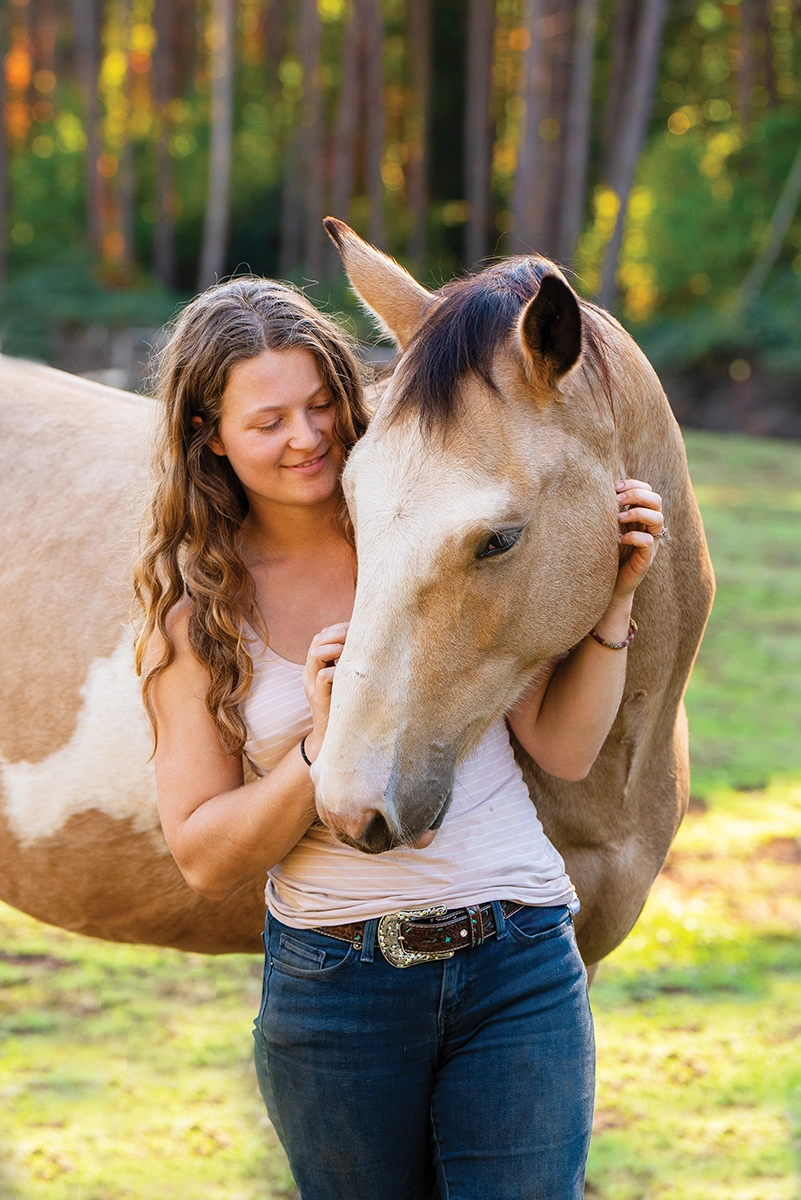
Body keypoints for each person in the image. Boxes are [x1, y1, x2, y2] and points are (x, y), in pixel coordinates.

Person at [134, 277, 665, 1200]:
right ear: (207, 436)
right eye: (266, 422)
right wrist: (321, 746)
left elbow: (564, 750)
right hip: (338, 985)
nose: (305, 438)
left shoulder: (429, 521)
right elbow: (203, 855)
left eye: (319, 405)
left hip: (517, 950)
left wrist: (615, 597)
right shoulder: (196, 618)